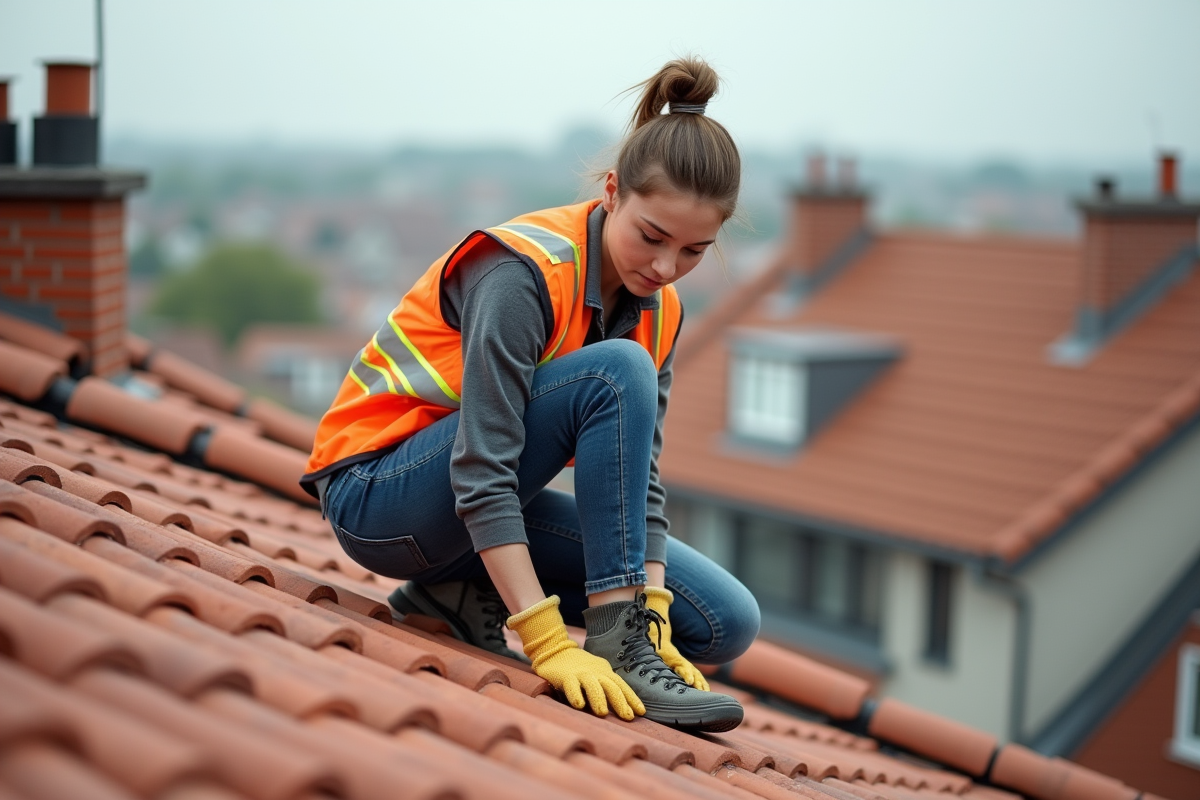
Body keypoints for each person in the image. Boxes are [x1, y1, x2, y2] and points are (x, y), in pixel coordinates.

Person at [302, 56, 760, 732]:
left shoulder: (659, 308)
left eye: (694, 252)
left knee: (724, 620)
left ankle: (462, 591)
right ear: (611, 193)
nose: (666, 268)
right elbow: (483, 468)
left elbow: (643, 487)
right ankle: (615, 639)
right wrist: (547, 642)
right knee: (617, 370)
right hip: (379, 496)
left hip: (466, 515)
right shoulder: (522, 274)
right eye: (652, 237)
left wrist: (652, 614)